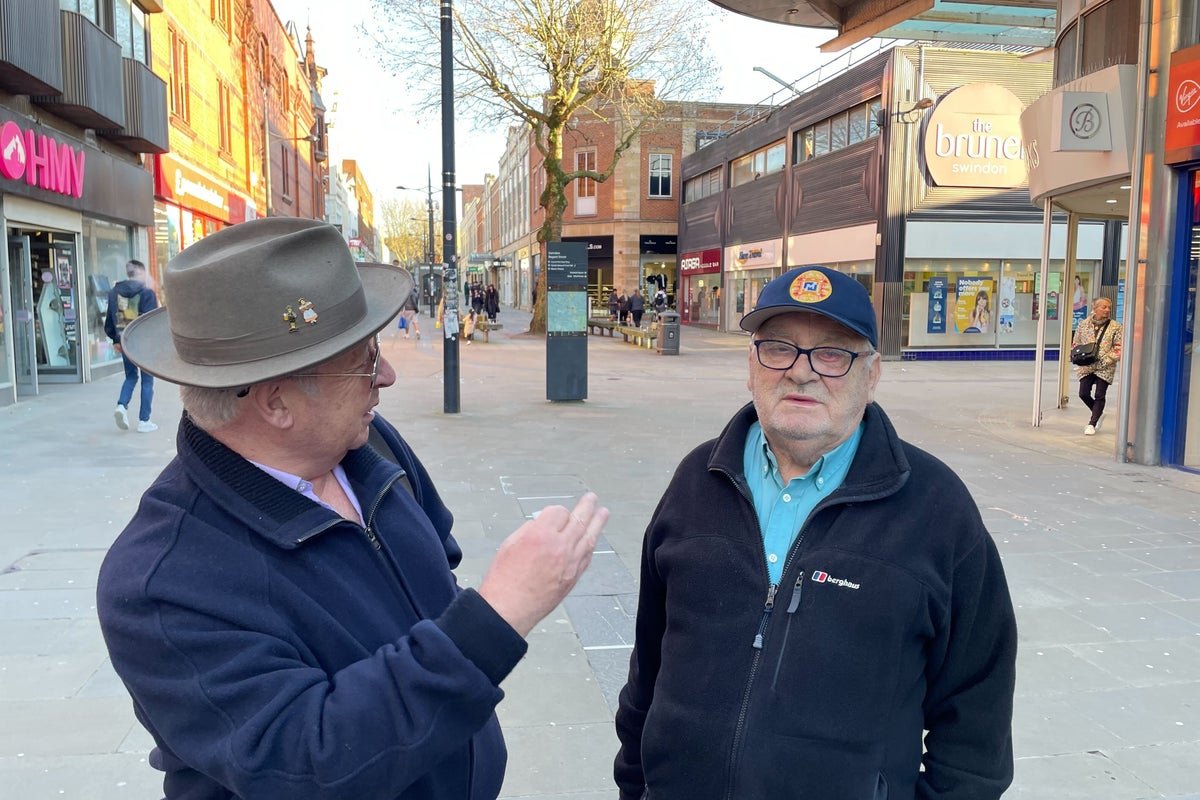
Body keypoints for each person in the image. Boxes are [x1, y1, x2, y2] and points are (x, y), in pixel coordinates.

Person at [96, 218, 609, 799]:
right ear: (276, 402)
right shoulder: (161, 582)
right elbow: (308, 765)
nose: (385, 376)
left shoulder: (367, 445)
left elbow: (436, 557)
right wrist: (495, 618)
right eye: (366, 360)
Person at [614, 265, 1017, 800]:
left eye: (832, 353)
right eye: (778, 348)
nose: (801, 373)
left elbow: (977, 722)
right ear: (750, 365)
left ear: (872, 374)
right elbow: (649, 669)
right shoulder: (696, 480)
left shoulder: (936, 509)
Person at [104, 259, 159, 433]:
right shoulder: (147, 293)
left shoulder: (114, 293)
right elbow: (151, 322)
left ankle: (121, 406)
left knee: (130, 377)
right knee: (147, 380)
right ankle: (144, 421)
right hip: (144, 344)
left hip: (125, 341)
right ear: (140, 273)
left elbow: (108, 322)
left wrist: (115, 340)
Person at [1072, 295, 1122, 435]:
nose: (1107, 310)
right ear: (1095, 308)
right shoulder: (1083, 324)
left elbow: (1119, 348)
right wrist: (1078, 356)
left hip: (1105, 366)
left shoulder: (1115, 327)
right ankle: (1098, 412)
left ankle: (1092, 423)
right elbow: (1076, 343)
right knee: (1083, 393)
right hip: (1087, 365)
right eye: (1104, 307)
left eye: (1109, 308)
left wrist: (1106, 360)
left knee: (1100, 394)